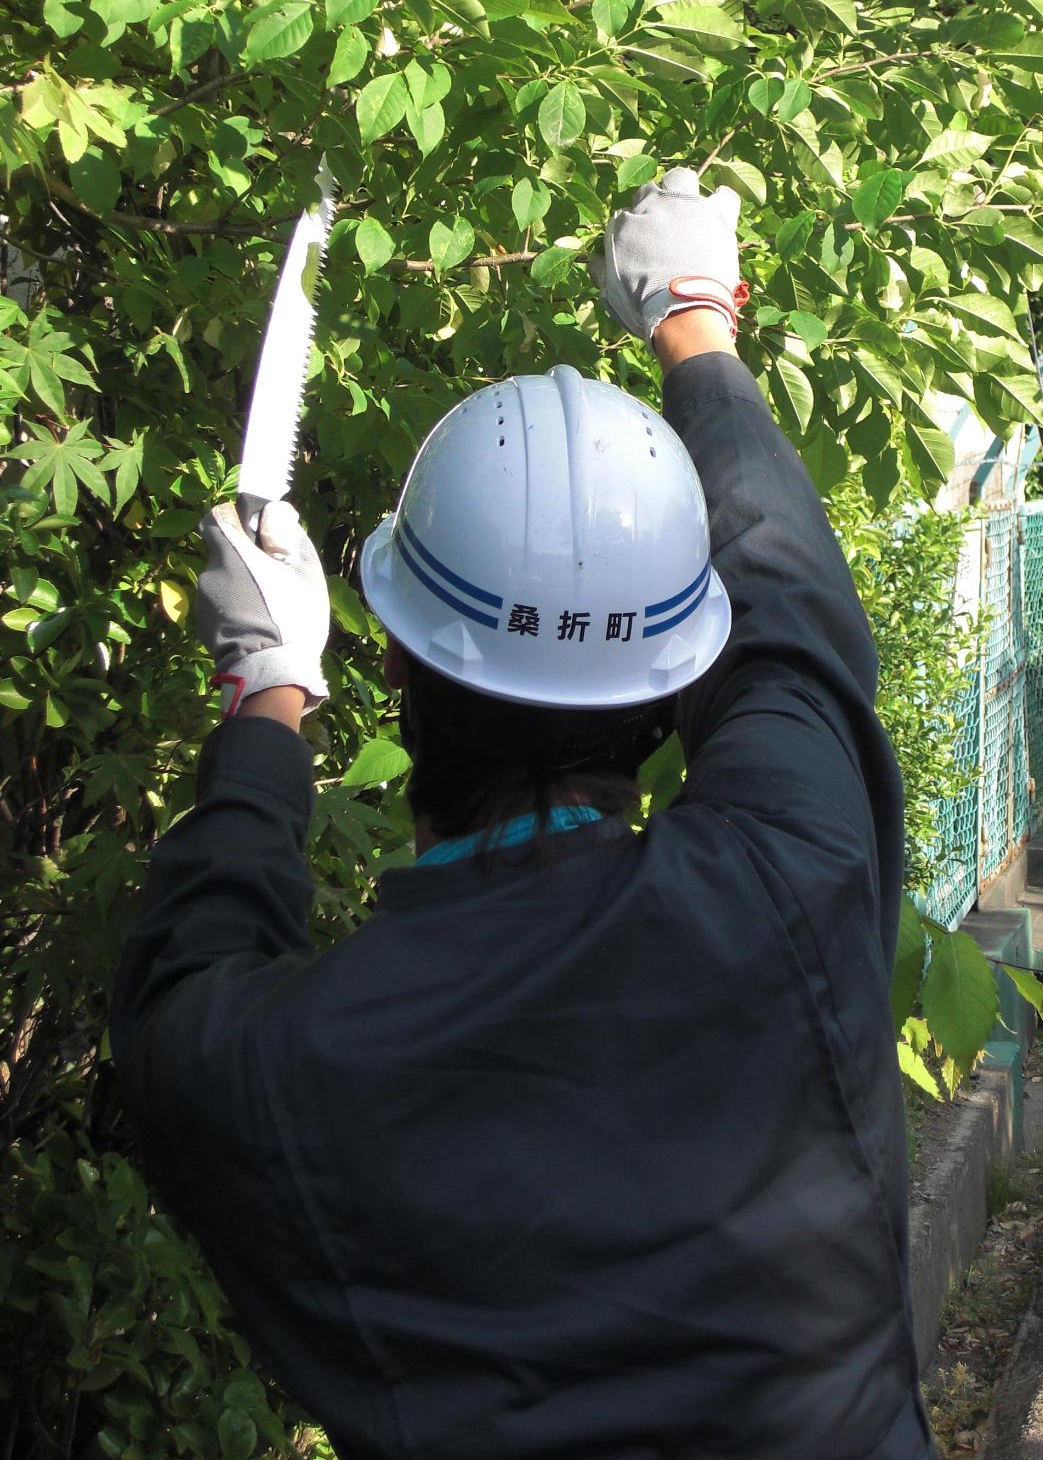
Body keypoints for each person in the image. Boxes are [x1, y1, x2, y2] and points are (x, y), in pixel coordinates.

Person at [111, 170, 936, 1459]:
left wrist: (267, 687)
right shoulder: (789, 876)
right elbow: (791, 612)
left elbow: (180, 978)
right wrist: (691, 317)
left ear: (396, 664)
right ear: (677, 692)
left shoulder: (294, 1069)